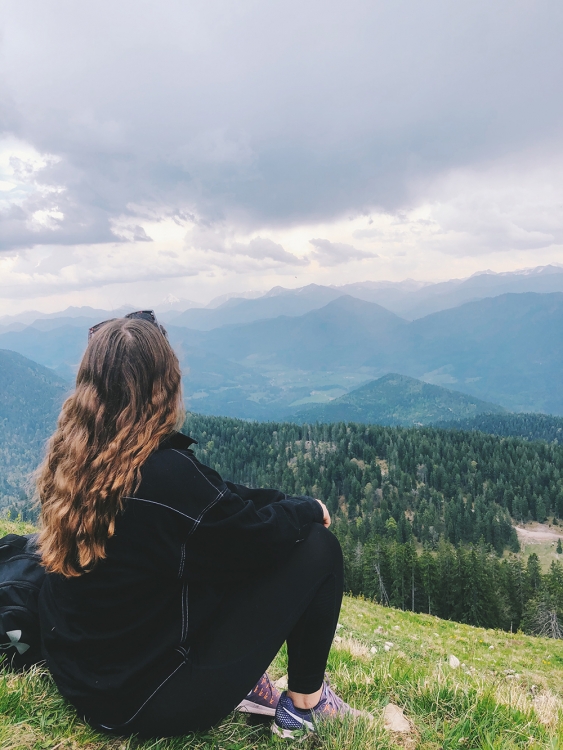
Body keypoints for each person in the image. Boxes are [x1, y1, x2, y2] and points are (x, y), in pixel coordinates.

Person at [37, 312, 367, 739]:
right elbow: (255, 538)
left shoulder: (74, 459)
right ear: (164, 386)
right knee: (319, 549)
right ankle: (306, 706)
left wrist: (291, 503)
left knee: (210, 553)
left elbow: (222, 503)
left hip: (83, 683)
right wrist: (307, 512)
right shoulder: (162, 476)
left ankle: (257, 687)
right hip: (145, 702)